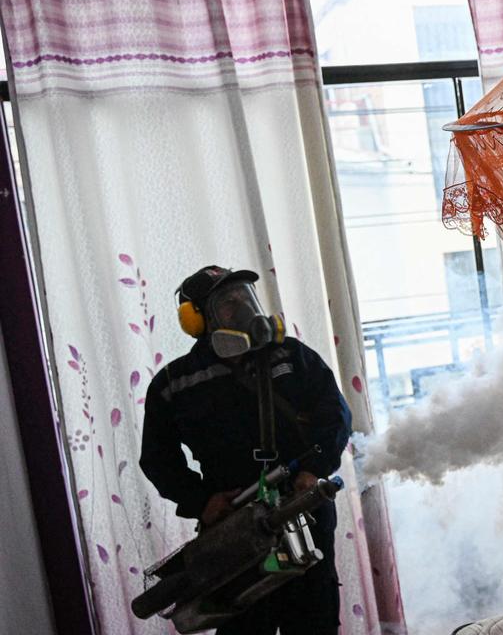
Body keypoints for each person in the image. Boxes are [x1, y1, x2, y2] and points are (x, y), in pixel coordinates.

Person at [140, 265, 353, 635]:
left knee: (313, 619)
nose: (243, 308)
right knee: (246, 621)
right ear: (196, 320)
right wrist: (202, 501)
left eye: (246, 297)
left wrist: (314, 468)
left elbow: (335, 414)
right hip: (233, 525)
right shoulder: (175, 384)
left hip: (303, 508)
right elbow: (157, 458)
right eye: (227, 303)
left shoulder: (292, 355)